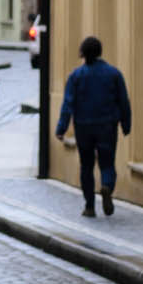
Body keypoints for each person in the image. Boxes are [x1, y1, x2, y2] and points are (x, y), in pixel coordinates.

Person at [54, 34, 132, 217]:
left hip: (83, 127)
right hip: (107, 125)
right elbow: (123, 101)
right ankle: (106, 186)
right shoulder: (114, 74)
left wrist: (61, 128)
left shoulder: (75, 76)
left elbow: (68, 104)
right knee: (107, 163)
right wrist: (126, 124)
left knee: (86, 166)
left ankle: (89, 206)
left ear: (83, 54)